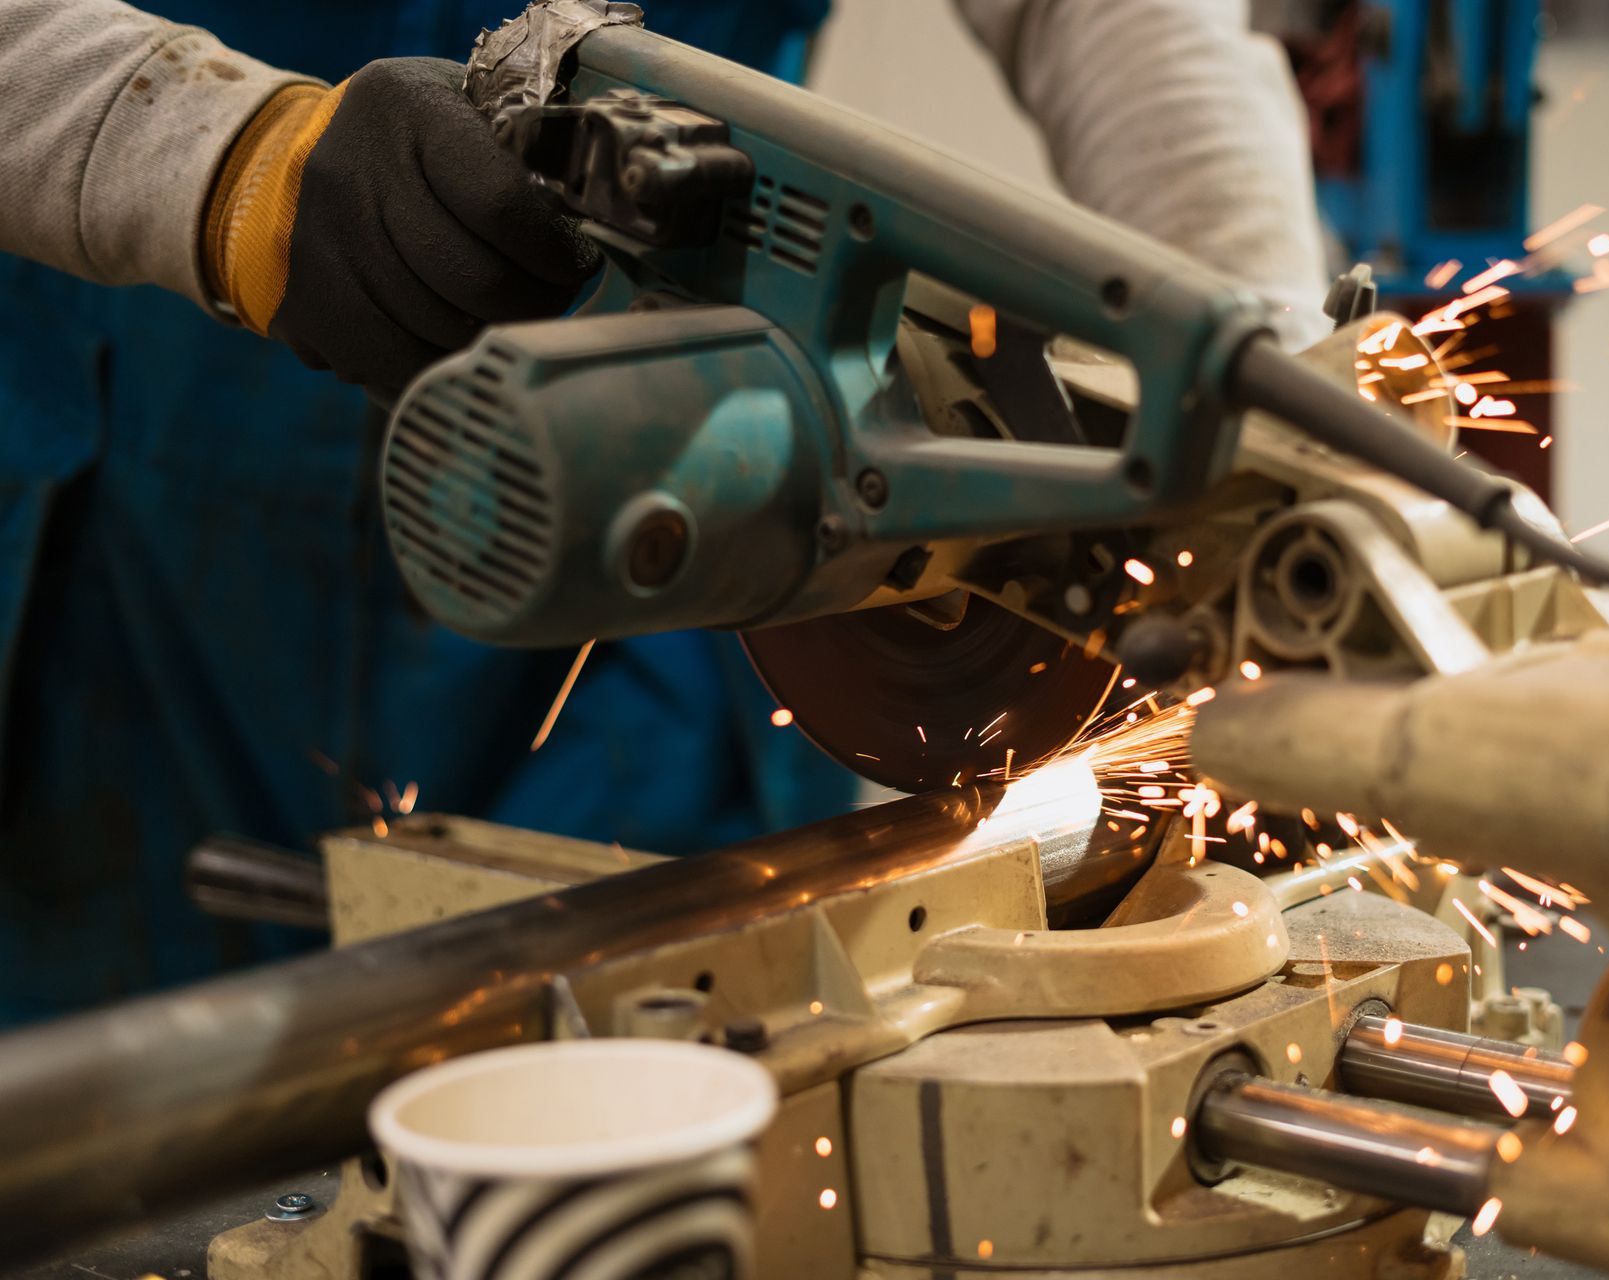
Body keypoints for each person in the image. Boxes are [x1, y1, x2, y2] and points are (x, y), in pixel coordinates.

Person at [0, 0, 1330, 1023]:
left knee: (713, 1078)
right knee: (114, 1137)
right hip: (132, 540)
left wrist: (1262, 378)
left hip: (695, 514)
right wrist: (218, 155)